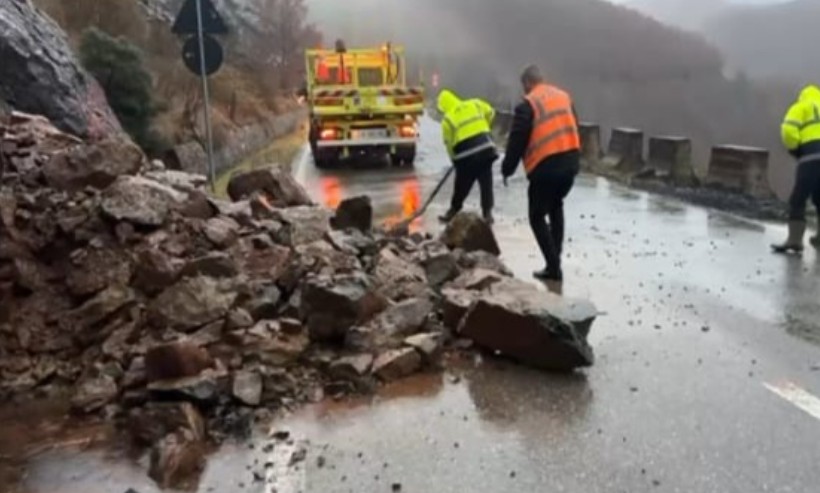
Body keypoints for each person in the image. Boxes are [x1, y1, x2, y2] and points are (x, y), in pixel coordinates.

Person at [500, 65, 581, 281]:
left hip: (546, 166)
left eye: (524, 86)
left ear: (528, 83)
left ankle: (553, 267)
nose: (524, 91)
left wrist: (507, 169)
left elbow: (517, 140)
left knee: (536, 215)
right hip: (571, 161)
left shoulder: (528, 104)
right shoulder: (563, 96)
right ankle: (555, 259)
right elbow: (575, 124)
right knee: (556, 205)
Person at [437, 89, 499, 225]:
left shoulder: (448, 119)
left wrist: (454, 159)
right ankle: (487, 213)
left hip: (466, 155)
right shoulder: (475, 104)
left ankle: (453, 210)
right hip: (486, 148)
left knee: (462, 184)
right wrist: (485, 128)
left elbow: (449, 144)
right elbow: (491, 112)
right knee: (486, 182)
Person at [772, 84, 820, 253]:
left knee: (798, 198)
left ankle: (794, 240)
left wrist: (795, 149)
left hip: (810, 157)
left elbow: (788, 130)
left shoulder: (801, 107)